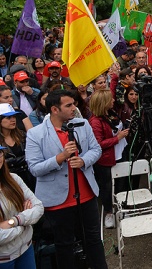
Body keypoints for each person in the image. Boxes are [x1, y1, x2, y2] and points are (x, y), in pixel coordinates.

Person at [25, 89, 107, 269]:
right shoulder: (35, 134)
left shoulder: (83, 124)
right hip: (58, 201)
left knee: (93, 240)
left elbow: (96, 149)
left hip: (86, 194)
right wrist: (60, 157)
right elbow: (35, 168)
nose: (74, 108)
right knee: (64, 244)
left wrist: (84, 160)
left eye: (74, 104)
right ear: (55, 109)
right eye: (68, 105)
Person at [88, 89, 129, 229]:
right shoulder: (95, 122)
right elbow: (98, 144)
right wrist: (117, 138)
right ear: (103, 102)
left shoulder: (110, 114)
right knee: (107, 188)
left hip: (119, 154)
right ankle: (108, 212)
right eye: (110, 99)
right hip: (106, 160)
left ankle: (122, 207)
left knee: (121, 183)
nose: (113, 101)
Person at [0, 145, 44, 267]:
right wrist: (24, 224)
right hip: (3, 260)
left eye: (0, 153)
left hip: (26, 250)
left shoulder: (14, 179)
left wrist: (14, 221)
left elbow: (39, 207)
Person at [0, 103, 36, 192]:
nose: (13, 120)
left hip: (30, 178)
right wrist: (24, 159)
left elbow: (33, 154)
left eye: (14, 117)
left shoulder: (22, 135)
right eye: (8, 118)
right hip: (9, 181)